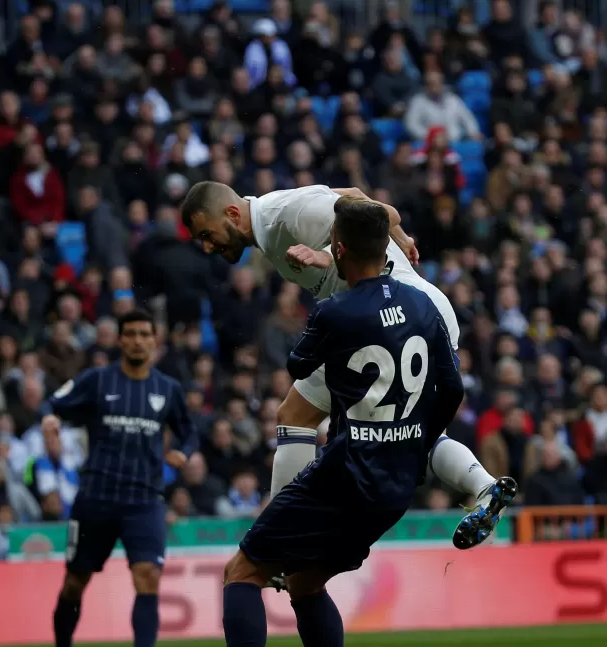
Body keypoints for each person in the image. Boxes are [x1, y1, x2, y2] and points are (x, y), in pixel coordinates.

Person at [220, 197, 501, 647]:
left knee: (242, 571)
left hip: (347, 471)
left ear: (338, 245)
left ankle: (279, 515)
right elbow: (452, 391)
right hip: (394, 485)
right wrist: (417, 444)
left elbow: (297, 363)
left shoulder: (334, 306)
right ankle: (479, 482)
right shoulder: (420, 301)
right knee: (305, 583)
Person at [180, 182, 516, 556]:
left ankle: (279, 538)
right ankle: (484, 486)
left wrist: (329, 253)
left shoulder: (291, 215)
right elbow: (356, 193)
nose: (207, 247)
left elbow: (374, 212)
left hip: (386, 320)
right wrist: (400, 237)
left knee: (296, 416)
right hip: (425, 314)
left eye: (207, 235)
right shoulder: (279, 212)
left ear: (231, 214)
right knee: (410, 431)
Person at [44, 309, 199, 647]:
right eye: (130, 334)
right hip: (95, 499)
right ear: (119, 340)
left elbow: (189, 433)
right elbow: (53, 404)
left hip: (144, 500)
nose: (138, 341)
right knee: (75, 581)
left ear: (155, 341)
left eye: (145, 334)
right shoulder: (96, 380)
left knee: (148, 576)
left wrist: (183, 454)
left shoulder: (168, 389)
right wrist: (50, 421)